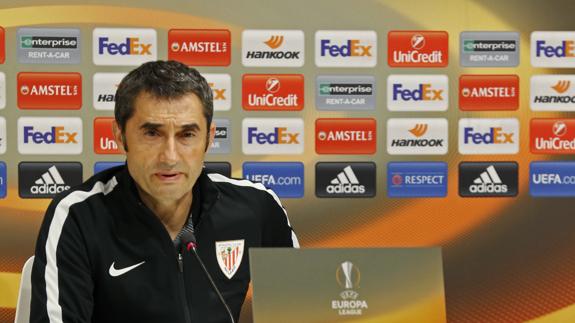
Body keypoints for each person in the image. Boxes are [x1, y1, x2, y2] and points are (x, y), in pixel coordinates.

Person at [30, 60, 299, 323]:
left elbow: (302, 311)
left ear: (209, 137)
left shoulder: (256, 207)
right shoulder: (78, 216)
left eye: (187, 135)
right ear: (120, 134)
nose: (170, 157)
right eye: (152, 133)